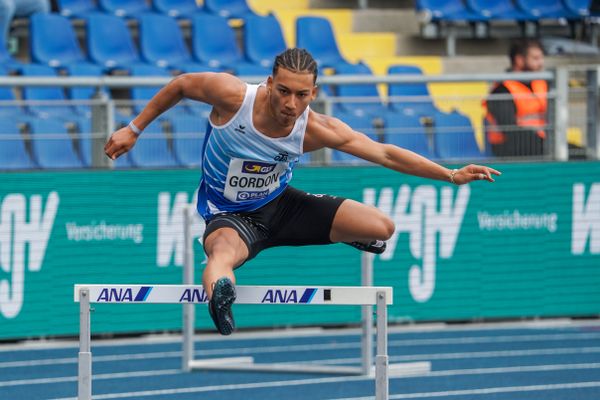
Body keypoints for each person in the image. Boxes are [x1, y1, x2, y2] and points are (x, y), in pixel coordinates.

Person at [105, 48, 500, 336]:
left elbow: (383, 152)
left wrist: (450, 175)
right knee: (221, 254)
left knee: (382, 227)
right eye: (284, 92)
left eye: (302, 95)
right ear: (271, 83)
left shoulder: (317, 128)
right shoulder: (232, 97)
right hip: (230, 215)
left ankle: (349, 235)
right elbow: (180, 86)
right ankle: (221, 297)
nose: (291, 105)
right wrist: (134, 128)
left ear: (314, 92)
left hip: (281, 206)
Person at [484, 39, 547, 157]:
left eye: (541, 58)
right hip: (510, 148)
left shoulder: (542, 84)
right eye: (535, 58)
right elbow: (510, 130)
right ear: (519, 60)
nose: (541, 63)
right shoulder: (502, 90)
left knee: (581, 153)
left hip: (541, 143)